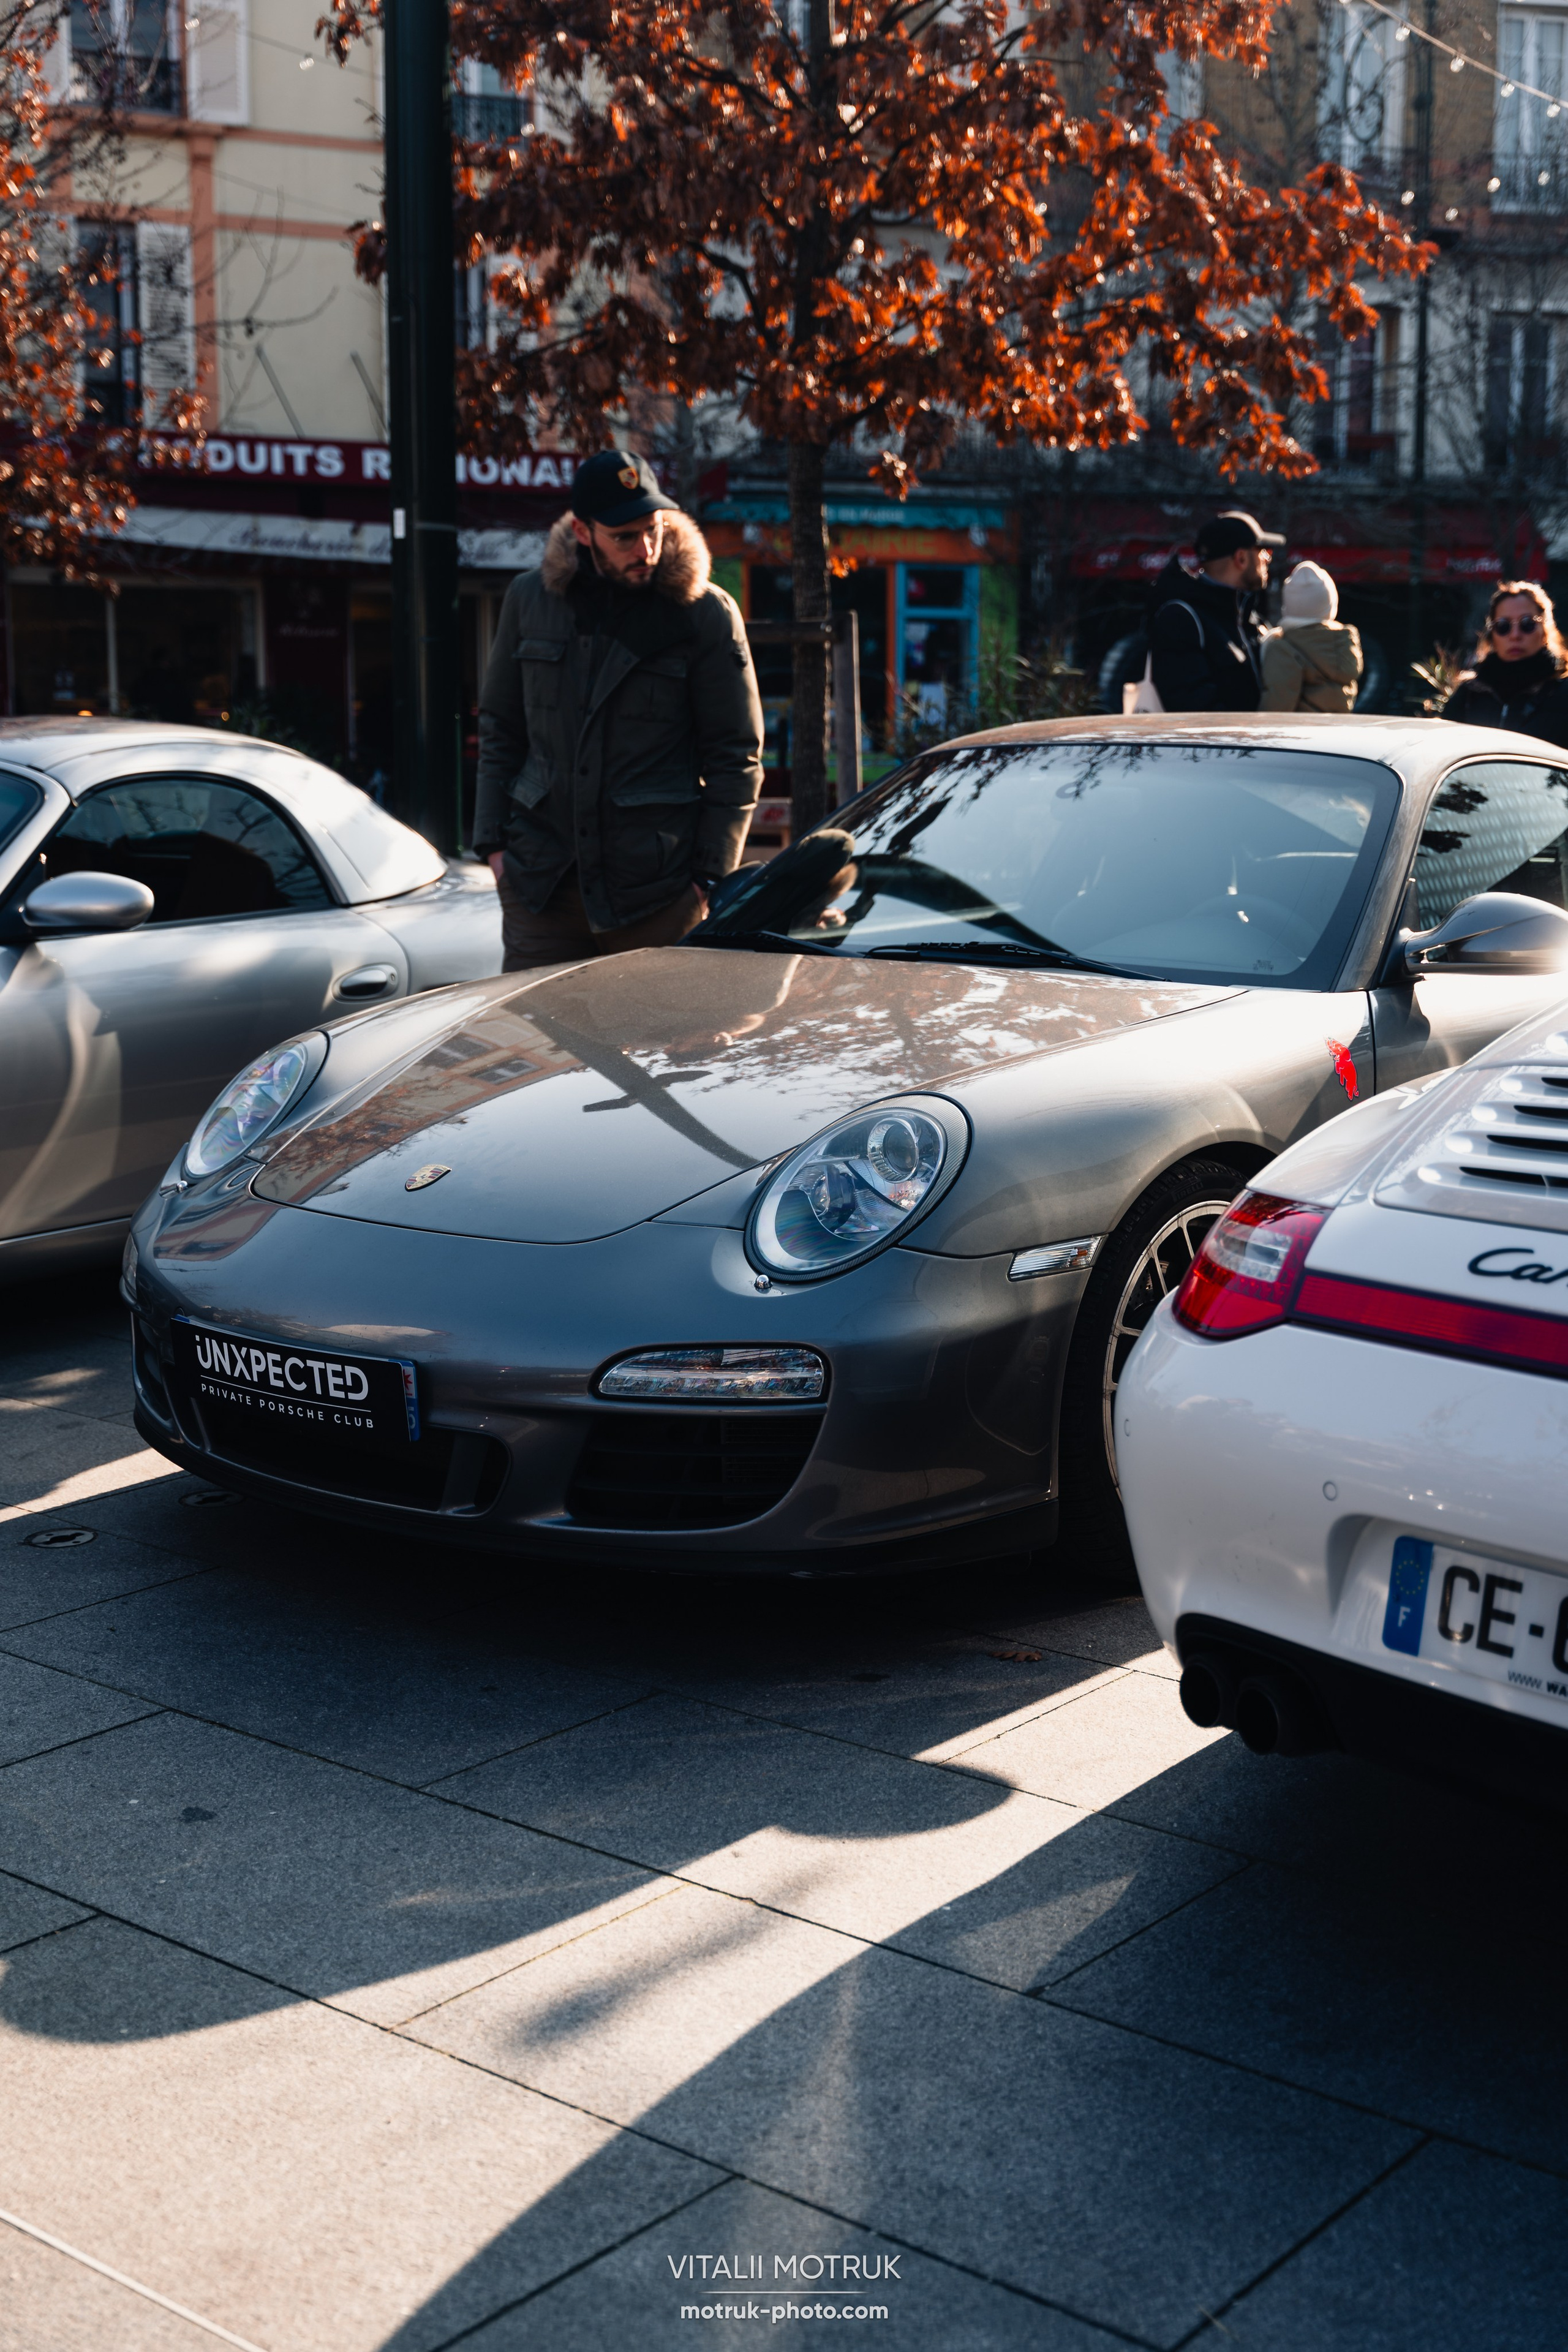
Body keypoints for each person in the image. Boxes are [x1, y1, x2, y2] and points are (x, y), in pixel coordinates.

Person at [473, 448, 765, 971]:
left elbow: (736, 753)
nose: (646, 549)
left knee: (656, 1049)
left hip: (656, 894)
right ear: (584, 533)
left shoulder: (705, 614)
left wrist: (709, 877)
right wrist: (495, 849)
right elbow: (501, 727)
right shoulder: (530, 600)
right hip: (542, 889)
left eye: (653, 529)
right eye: (625, 537)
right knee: (536, 1049)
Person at [1147, 510, 1283, 712]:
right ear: (1241, 558)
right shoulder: (1182, 619)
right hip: (1229, 744)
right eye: (1262, 550)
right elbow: (1192, 710)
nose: (1267, 559)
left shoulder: (1251, 619)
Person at [1441, 581, 1568, 748]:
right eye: (1503, 626)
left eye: (1527, 624)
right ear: (1492, 634)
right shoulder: (1468, 695)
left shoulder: (1562, 693)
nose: (1515, 635)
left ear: (1544, 629)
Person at [1259, 560, 1363, 712]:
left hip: (1298, 731)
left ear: (1288, 607)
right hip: (1336, 729)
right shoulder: (1344, 644)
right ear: (1331, 605)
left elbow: (1278, 702)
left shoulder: (1283, 649)